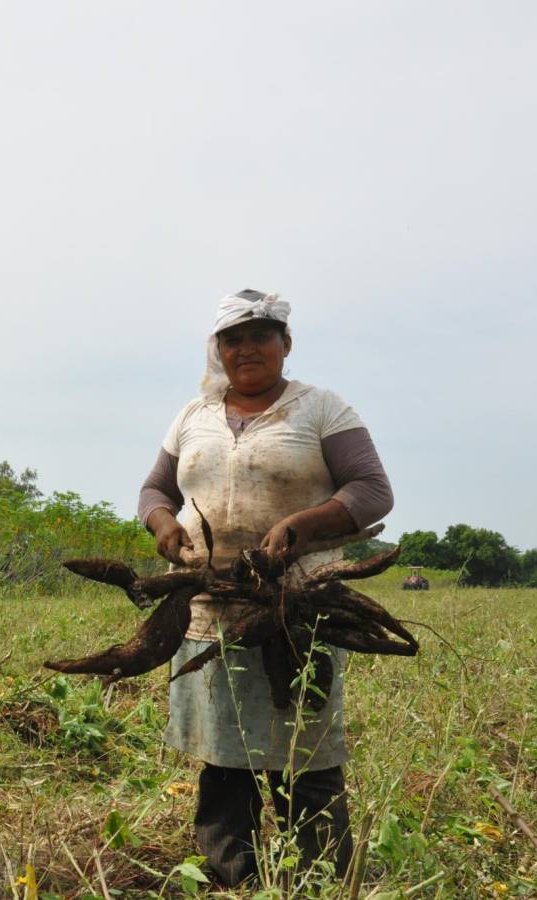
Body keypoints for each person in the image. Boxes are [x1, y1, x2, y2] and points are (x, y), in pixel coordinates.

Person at [137, 289, 393, 886]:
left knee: (307, 749)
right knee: (224, 755)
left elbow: (372, 489)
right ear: (218, 349)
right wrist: (163, 523)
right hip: (208, 609)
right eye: (233, 338)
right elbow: (154, 491)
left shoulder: (321, 409)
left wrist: (303, 524)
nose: (246, 347)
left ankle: (325, 877)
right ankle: (234, 879)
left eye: (260, 335)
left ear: (285, 344)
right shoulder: (192, 416)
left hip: (297, 605)